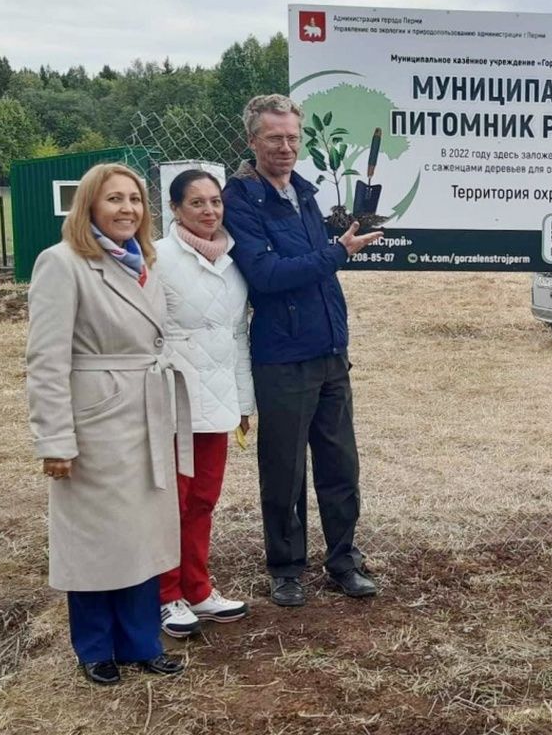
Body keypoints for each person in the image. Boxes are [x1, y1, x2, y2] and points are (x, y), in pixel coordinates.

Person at [26, 162, 191, 684]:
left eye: (135, 199)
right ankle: (95, 648)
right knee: (96, 536)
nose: (127, 209)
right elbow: (46, 360)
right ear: (89, 206)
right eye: (114, 199)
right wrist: (55, 439)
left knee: (141, 533)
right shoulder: (63, 263)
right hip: (94, 418)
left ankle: (141, 642)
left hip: (146, 410)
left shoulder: (146, 261)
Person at [222, 94, 383, 607]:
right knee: (284, 469)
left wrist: (334, 250)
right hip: (282, 356)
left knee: (340, 464)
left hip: (330, 349)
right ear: (252, 141)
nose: (286, 147)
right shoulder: (242, 199)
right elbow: (266, 276)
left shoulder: (305, 193)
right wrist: (336, 253)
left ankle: (342, 559)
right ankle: (286, 567)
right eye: (274, 138)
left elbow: (310, 264)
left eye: (293, 137)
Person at [155, 169, 255, 637]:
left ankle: (198, 588)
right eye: (197, 203)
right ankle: (164, 594)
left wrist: (242, 402)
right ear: (176, 209)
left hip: (217, 400)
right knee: (170, 502)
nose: (209, 211)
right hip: (173, 399)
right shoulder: (157, 258)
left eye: (215, 201)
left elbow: (236, 335)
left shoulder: (233, 261)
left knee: (203, 499)